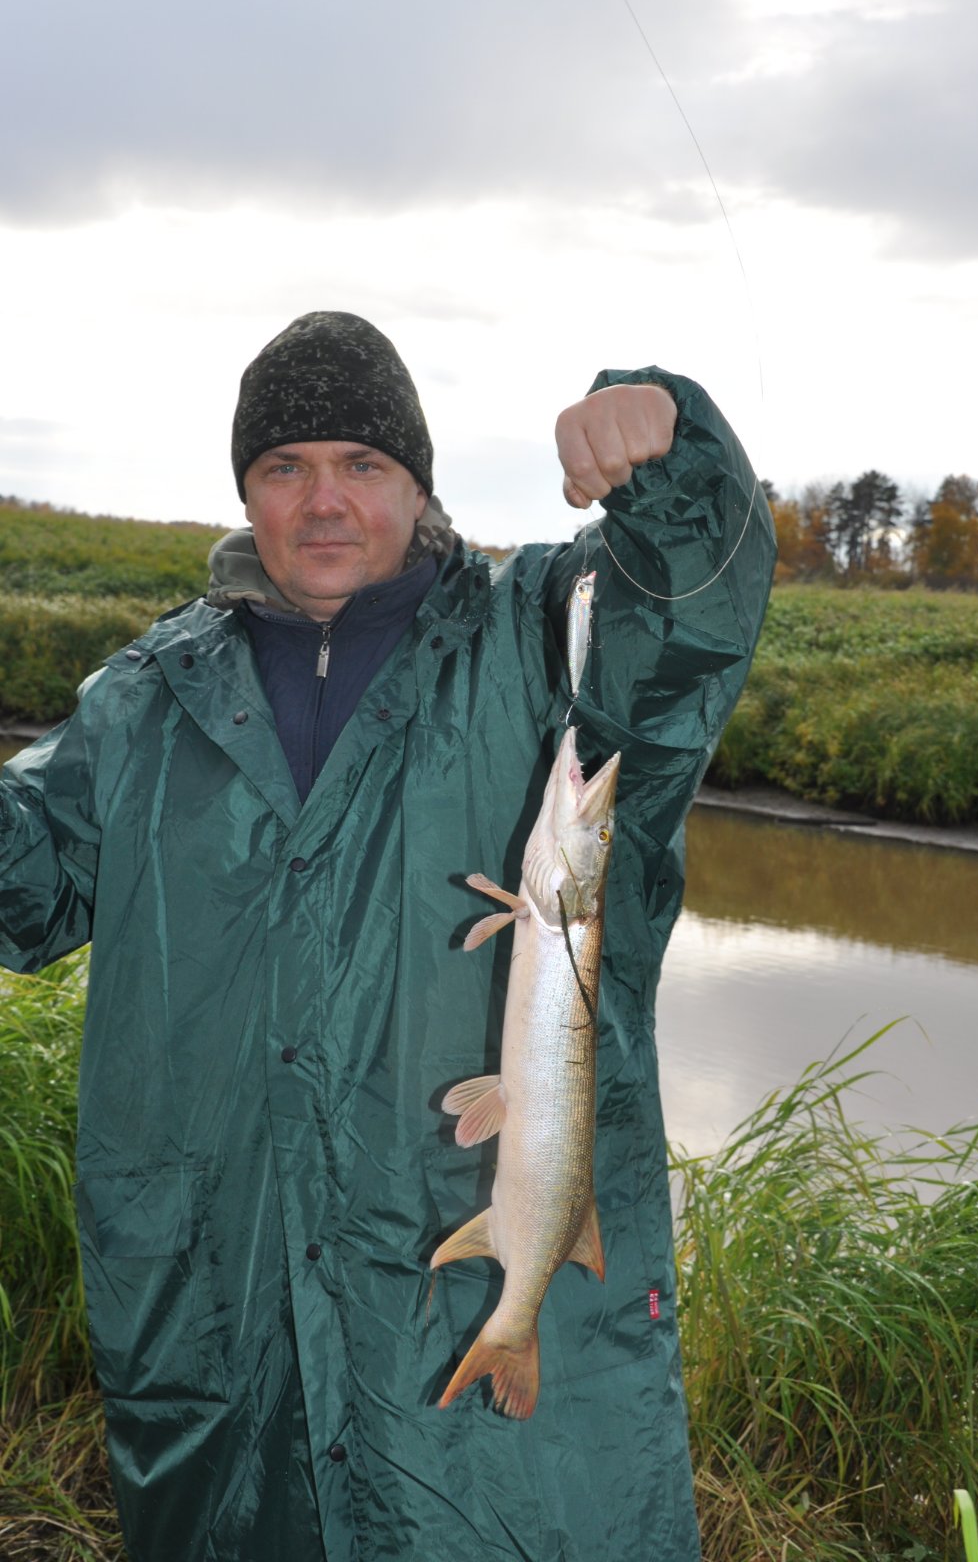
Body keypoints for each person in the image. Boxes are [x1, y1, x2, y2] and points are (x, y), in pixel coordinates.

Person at [0, 311, 775, 1561]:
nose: (322, 502)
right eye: (283, 467)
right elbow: (22, 883)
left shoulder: (540, 637)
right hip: (214, 1314)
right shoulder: (144, 701)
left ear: (419, 484)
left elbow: (687, 625)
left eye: (362, 465)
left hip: (456, 1306)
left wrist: (670, 458)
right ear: (245, 490)